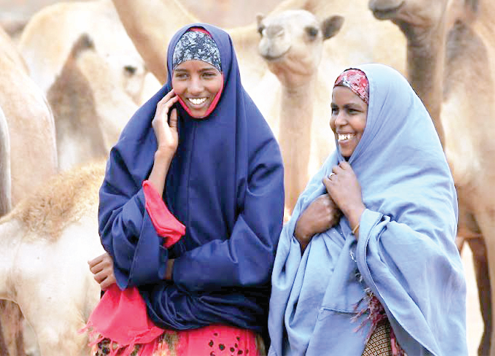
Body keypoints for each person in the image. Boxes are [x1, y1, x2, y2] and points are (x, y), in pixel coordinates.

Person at [85, 23, 285, 356]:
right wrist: (162, 157)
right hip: (148, 304)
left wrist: (163, 268)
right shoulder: (141, 140)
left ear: (227, 73)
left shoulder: (258, 150)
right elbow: (118, 239)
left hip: (225, 308)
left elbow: (253, 254)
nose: (194, 88)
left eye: (207, 74)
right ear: (168, 75)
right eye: (182, 75)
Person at [268, 64, 467, 356]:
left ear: (383, 118)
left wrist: (357, 212)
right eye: (334, 110)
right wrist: (300, 232)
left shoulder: (422, 186)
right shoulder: (329, 177)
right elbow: (288, 261)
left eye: (352, 111)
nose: (339, 122)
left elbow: (430, 269)